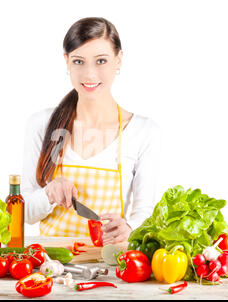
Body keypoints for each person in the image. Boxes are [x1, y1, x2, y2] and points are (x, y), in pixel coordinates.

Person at [21, 17, 163, 245]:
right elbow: (24, 214)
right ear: (66, 61)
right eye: (79, 61)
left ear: (118, 60)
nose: (89, 74)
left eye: (101, 61)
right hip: (50, 266)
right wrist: (48, 193)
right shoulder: (42, 125)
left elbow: (144, 214)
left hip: (112, 267)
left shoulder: (143, 132)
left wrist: (130, 229)